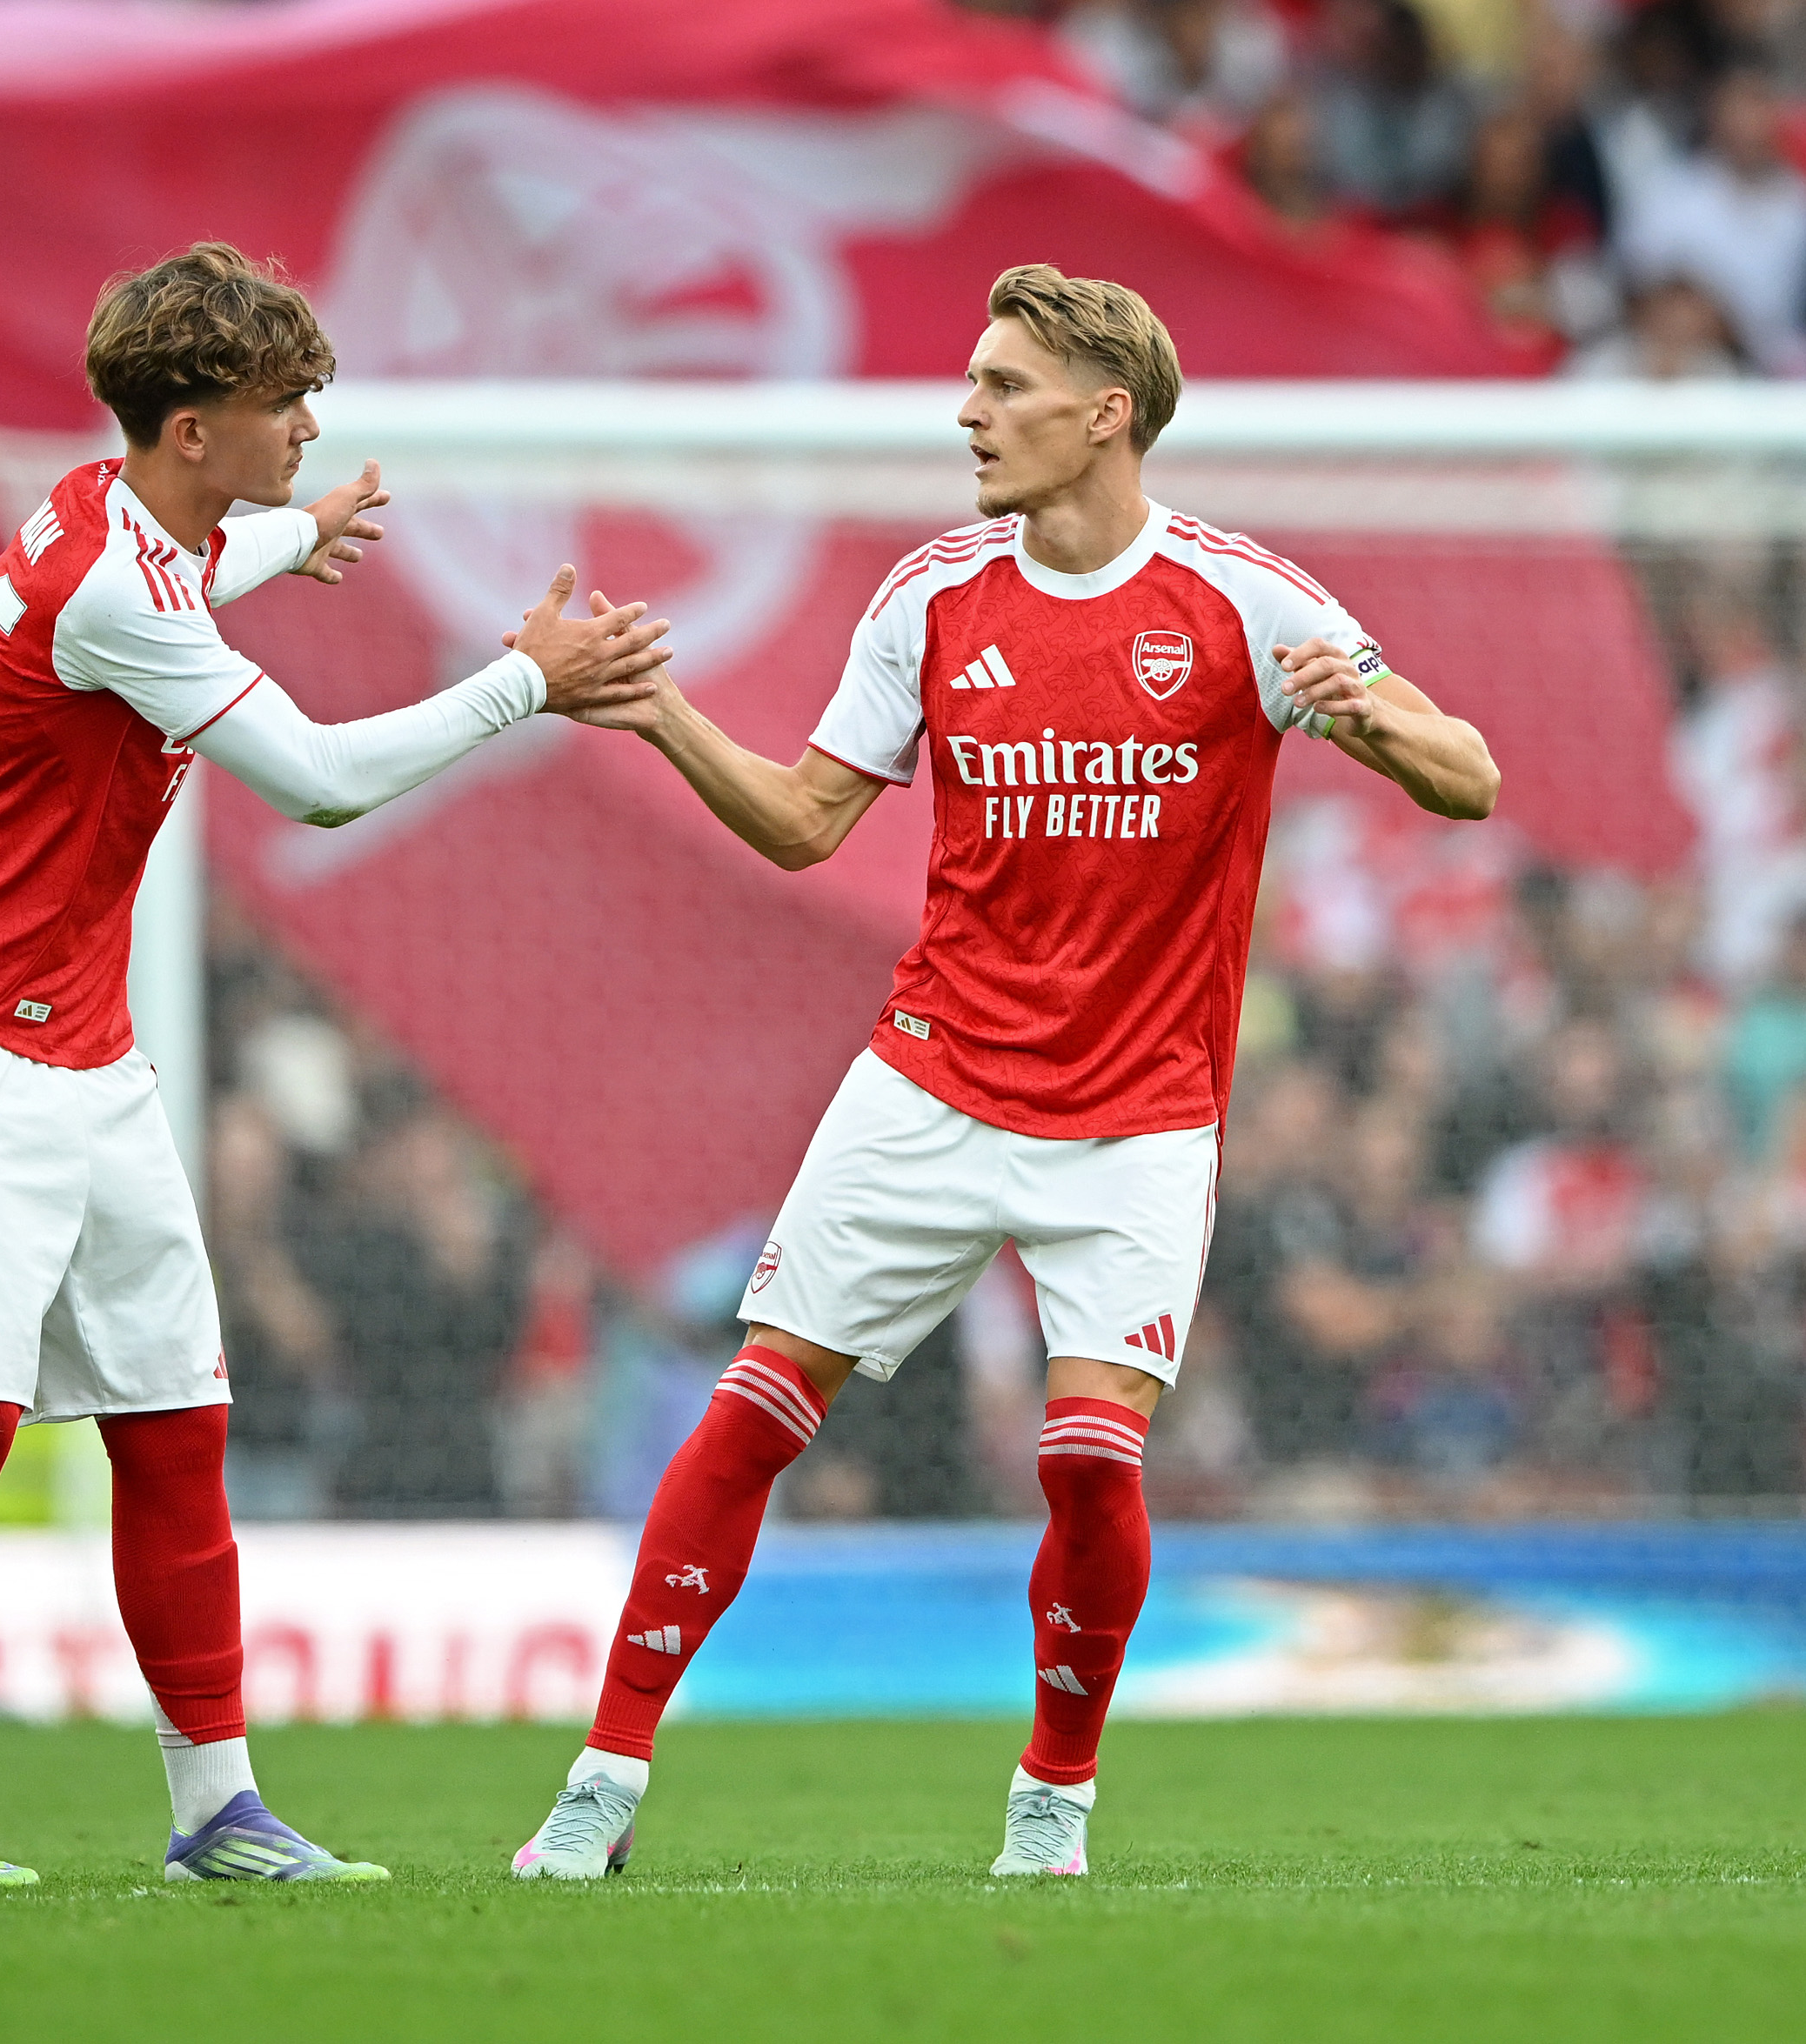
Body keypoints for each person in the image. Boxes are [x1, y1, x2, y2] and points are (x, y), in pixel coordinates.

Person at [509, 265, 1500, 1882]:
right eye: (969, 383)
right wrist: (656, 711)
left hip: (1137, 1113)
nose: (964, 413)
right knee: (755, 1411)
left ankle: (1052, 1805)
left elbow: (1469, 772)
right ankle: (598, 1787)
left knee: (1086, 1455)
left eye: (1001, 385)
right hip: (930, 1078)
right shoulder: (931, 599)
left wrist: (1367, 724)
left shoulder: (1246, 602)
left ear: (1102, 414)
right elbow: (804, 820)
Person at [0, 242, 671, 1888]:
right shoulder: (113, 587)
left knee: (174, 1418)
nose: (305, 429)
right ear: (194, 423)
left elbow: (207, 552)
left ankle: (216, 1807)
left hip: (83, 1045)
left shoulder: (131, 516)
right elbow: (323, 781)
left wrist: (302, 534)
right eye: (286, 409)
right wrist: (528, 682)